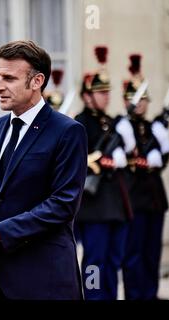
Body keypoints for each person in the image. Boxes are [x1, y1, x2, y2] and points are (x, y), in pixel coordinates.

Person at [0, 40, 88, 300]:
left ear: (37, 81)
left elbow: (63, 204)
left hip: (45, 279)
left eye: (9, 78)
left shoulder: (67, 131)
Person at [74, 46, 136, 300]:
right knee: (94, 261)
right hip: (93, 205)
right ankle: (93, 297)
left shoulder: (112, 122)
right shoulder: (79, 123)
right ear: (87, 96)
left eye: (107, 92)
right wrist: (101, 160)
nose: (106, 97)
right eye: (100, 92)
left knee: (113, 260)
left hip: (116, 204)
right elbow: (75, 160)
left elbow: (129, 154)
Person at [121, 54, 169, 300]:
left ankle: (149, 294)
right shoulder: (121, 126)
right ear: (126, 101)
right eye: (134, 99)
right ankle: (134, 295)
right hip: (134, 199)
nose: (139, 104)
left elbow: (162, 159)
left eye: (142, 100)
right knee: (134, 252)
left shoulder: (155, 127)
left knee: (151, 252)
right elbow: (128, 157)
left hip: (155, 199)